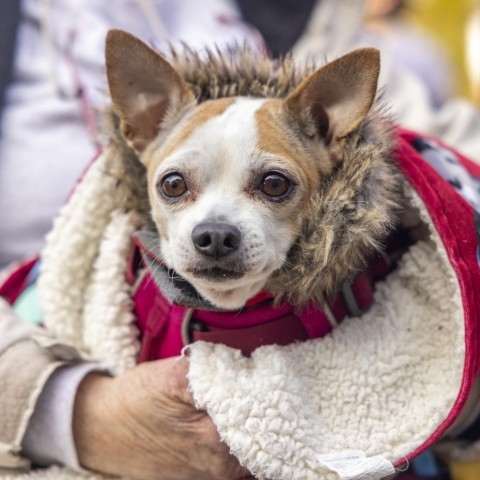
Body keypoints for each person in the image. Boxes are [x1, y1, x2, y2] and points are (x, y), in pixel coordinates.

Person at [0, 1, 260, 478]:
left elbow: (413, 145)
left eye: (271, 186)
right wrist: (71, 413)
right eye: (177, 186)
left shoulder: (295, 13)